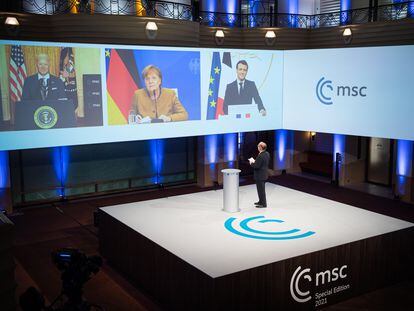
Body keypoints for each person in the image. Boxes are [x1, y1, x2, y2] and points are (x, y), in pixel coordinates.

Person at [249, 142, 270, 208]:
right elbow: (261, 163)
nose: (257, 147)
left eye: (258, 146)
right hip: (263, 174)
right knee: (260, 190)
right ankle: (260, 201)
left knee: (261, 190)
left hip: (260, 176)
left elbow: (256, 166)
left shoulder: (261, 155)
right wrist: (256, 161)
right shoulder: (267, 153)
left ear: (260, 147)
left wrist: (251, 163)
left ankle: (264, 204)